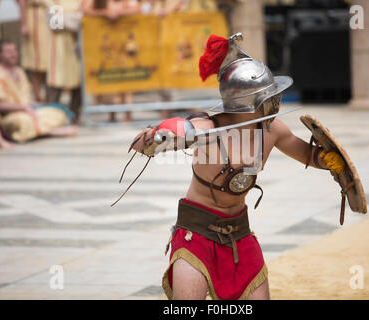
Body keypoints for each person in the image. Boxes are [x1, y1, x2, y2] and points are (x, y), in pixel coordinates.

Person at [124, 34, 346, 300]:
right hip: (197, 234)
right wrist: (157, 135)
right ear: (247, 102)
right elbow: (142, 145)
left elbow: (308, 155)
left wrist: (329, 160)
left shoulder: (272, 129)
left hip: (240, 234)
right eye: (267, 97)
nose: (274, 102)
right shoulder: (207, 128)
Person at [0, 40, 77, 143]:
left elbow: (26, 98)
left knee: (57, 112)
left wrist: (36, 105)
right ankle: (50, 131)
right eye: (8, 52)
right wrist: (23, 108)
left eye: (14, 51)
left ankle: (41, 130)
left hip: (27, 109)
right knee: (24, 121)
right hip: (8, 115)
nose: (13, 54)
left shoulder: (20, 71)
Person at [82, 0, 139, 122]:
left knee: (127, 81)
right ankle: (111, 115)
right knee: (109, 81)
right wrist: (105, 13)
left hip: (123, 46)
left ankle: (128, 115)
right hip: (108, 47)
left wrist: (120, 12)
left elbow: (136, 9)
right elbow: (85, 9)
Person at [46, 0, 83, 124]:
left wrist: (65, 18)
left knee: (78, 80)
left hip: (76, 45)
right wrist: (74, 18)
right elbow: (55, 23)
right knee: (56, 79)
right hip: (58, 46)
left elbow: (84, 20)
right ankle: (51, 117)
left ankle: (75, 115)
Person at [17, 0, 50, 103]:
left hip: (48, 15)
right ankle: (37, 95)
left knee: (49, 58)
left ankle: (49, 95)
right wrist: (24, 24)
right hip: (33, 17)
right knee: (35, 59)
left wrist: (58, 23)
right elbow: (21, 2)